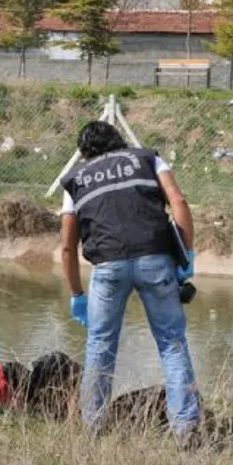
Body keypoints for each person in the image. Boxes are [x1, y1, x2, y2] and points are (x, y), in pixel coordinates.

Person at [59, 120, 201, 439]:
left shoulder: (75, 179)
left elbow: (67, 246)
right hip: (156, 260)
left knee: (100, 345)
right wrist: (187, 255)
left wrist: (77, 294)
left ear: (83, 154)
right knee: (171, 343)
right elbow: (179, 202)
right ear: (120, 141)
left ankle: (92, 427)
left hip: (107, 267)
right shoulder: (147, 159)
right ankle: (186, 427)